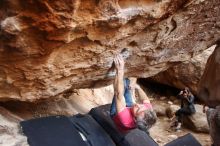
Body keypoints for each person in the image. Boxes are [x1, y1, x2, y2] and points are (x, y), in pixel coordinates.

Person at [110, 54, 157, 134]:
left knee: (121, 85)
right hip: (129, 110)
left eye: (137, 110)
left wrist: (120, 70)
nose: (138, 105)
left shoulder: (125, 119)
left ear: (135, 119)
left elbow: (119, 95)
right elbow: (145, 99)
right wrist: (137, 87)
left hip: (115, 113)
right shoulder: (146, 111)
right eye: (142, 107)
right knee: (127, 84)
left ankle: (116, 74)